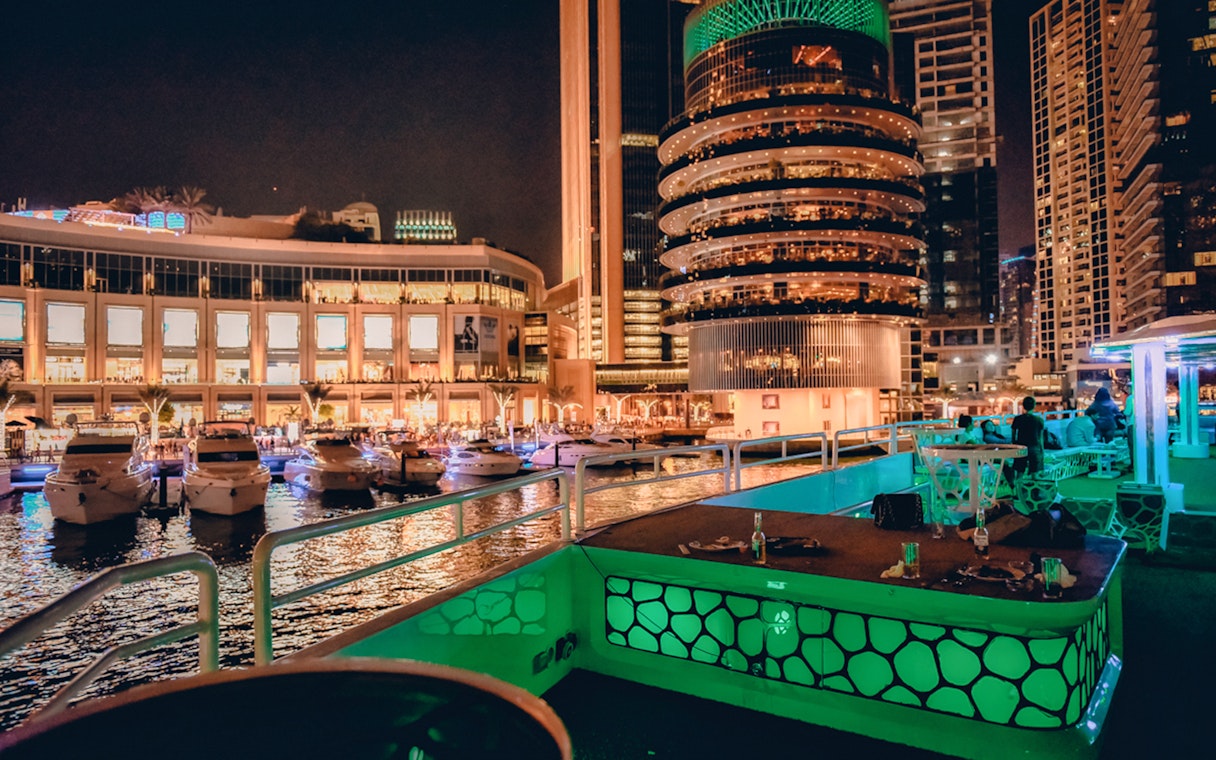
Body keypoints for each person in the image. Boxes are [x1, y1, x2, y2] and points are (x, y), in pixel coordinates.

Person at [1009, 396, 1046, 483]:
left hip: (1021, 448)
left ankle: (1018, 493)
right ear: (1034, 406)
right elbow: (1040, 438)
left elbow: (1013, 434)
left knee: (1019, 473)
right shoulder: (1039, 420)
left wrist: (1014, 445)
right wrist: (1042, 451)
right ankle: (1035, 494)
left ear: (1023, 406)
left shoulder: (1018, 419)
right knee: (1035, 474)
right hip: (1035, 448)